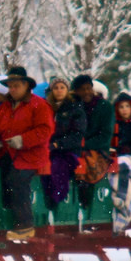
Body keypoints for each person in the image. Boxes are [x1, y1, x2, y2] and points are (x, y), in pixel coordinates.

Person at [0, 66, 54, 240]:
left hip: (32, 156)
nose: (13, 89)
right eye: (10, 86)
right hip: (8, 154)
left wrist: (23, 140)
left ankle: (25, 224)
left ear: (26, 86)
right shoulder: (4, 107)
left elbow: (45, 130)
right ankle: (2, 219)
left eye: (16, 86)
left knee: (16, 180)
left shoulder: (39, 105)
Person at [43, 76, 86, 208]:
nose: (59, 90)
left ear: (67, 90)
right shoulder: (46, 108)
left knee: (57, 166)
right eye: (56, 88)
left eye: (62, 87)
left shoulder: (75, 109)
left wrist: (58, 144)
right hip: (47, 149)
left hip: (69, 151)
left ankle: (57, 201)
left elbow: (77, 135)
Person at [72, 74, 114, 206]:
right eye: (82, 89)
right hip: (75, 147)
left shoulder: (104, 107)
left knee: (87, 164)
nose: (86, 92)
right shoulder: (73, 107)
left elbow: (105, 136)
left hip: (98, 149)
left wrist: (83, 145)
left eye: (88, 88)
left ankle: (86, 205)